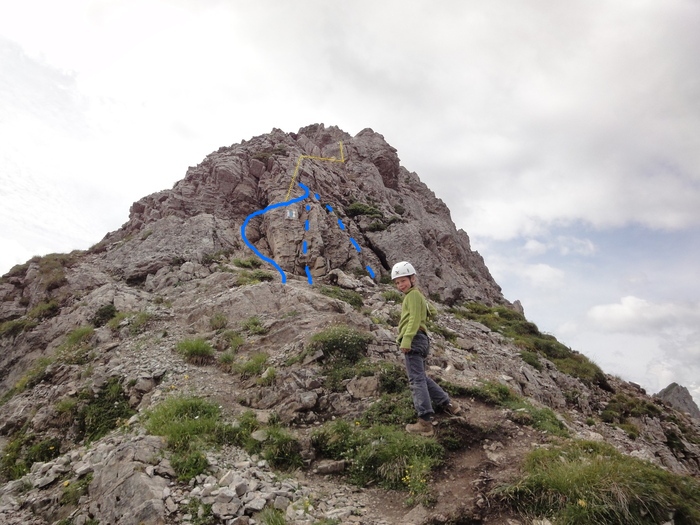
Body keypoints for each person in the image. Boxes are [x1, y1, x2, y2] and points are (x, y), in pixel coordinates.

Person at [392, 261, 461, 437]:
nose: (400, 285)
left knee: (416, 381)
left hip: (414, 339)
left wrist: (406, 340)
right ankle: (449, 405)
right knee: (421, 377)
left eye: (403, 281)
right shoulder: (418, 295)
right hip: (422, 340)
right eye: (397, 282)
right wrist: (425, 311)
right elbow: (432, 311)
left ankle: (425, 422)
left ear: (412, 278)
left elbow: (414, 318)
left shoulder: (412, 296)